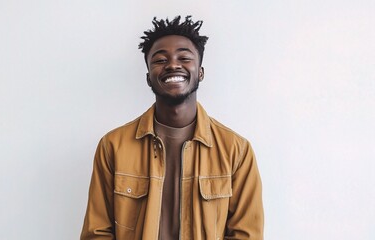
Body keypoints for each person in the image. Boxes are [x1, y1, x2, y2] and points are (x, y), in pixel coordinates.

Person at [80, 15, 264, 240]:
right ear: (149, 77)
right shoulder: (113, 146)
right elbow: (97, 232)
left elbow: (246, 235)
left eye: (184, 57)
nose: (173, 64)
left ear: (201, 72)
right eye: (160, 60)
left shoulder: (236, 150)